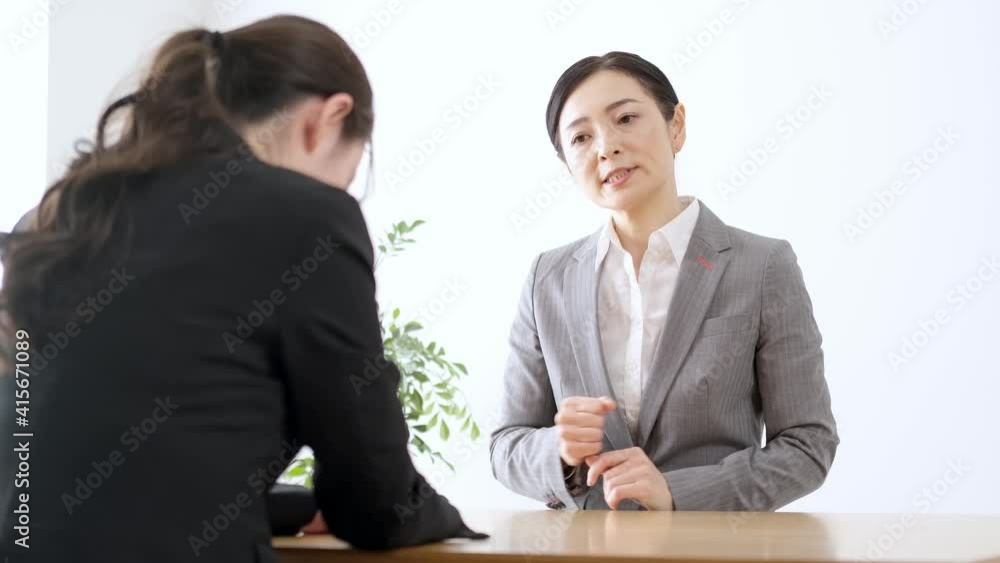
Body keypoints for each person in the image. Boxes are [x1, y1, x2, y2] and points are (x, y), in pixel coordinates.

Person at [0, 15, 482, 561]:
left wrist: (288, 506)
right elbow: (376, 504)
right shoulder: (308, 217)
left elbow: (97, 467)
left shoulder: (55, 215)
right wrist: (450, 518)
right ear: (329, 118)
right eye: (352, 172)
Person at [490, 52, 839, 511]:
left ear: (677, 127)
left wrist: (677, 493)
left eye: (625, 119)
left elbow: (808, 445)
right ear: (567, 166)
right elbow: (506, 445)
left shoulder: (762, 266)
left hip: (710, 544)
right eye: (580, 137)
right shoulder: (547, 279)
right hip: (585, 546)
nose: (605, 147)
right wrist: (559, 450)